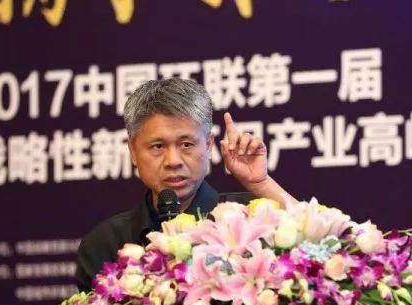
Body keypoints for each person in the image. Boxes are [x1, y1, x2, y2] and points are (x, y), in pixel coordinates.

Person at [75, 78, 295, 291]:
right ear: (133, 151)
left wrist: (261, 183)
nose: (173, 161)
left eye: (186, 144)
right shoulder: (103, 245)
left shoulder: (251, 216)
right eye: (158, 146)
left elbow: (314, 248)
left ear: (208, 145)